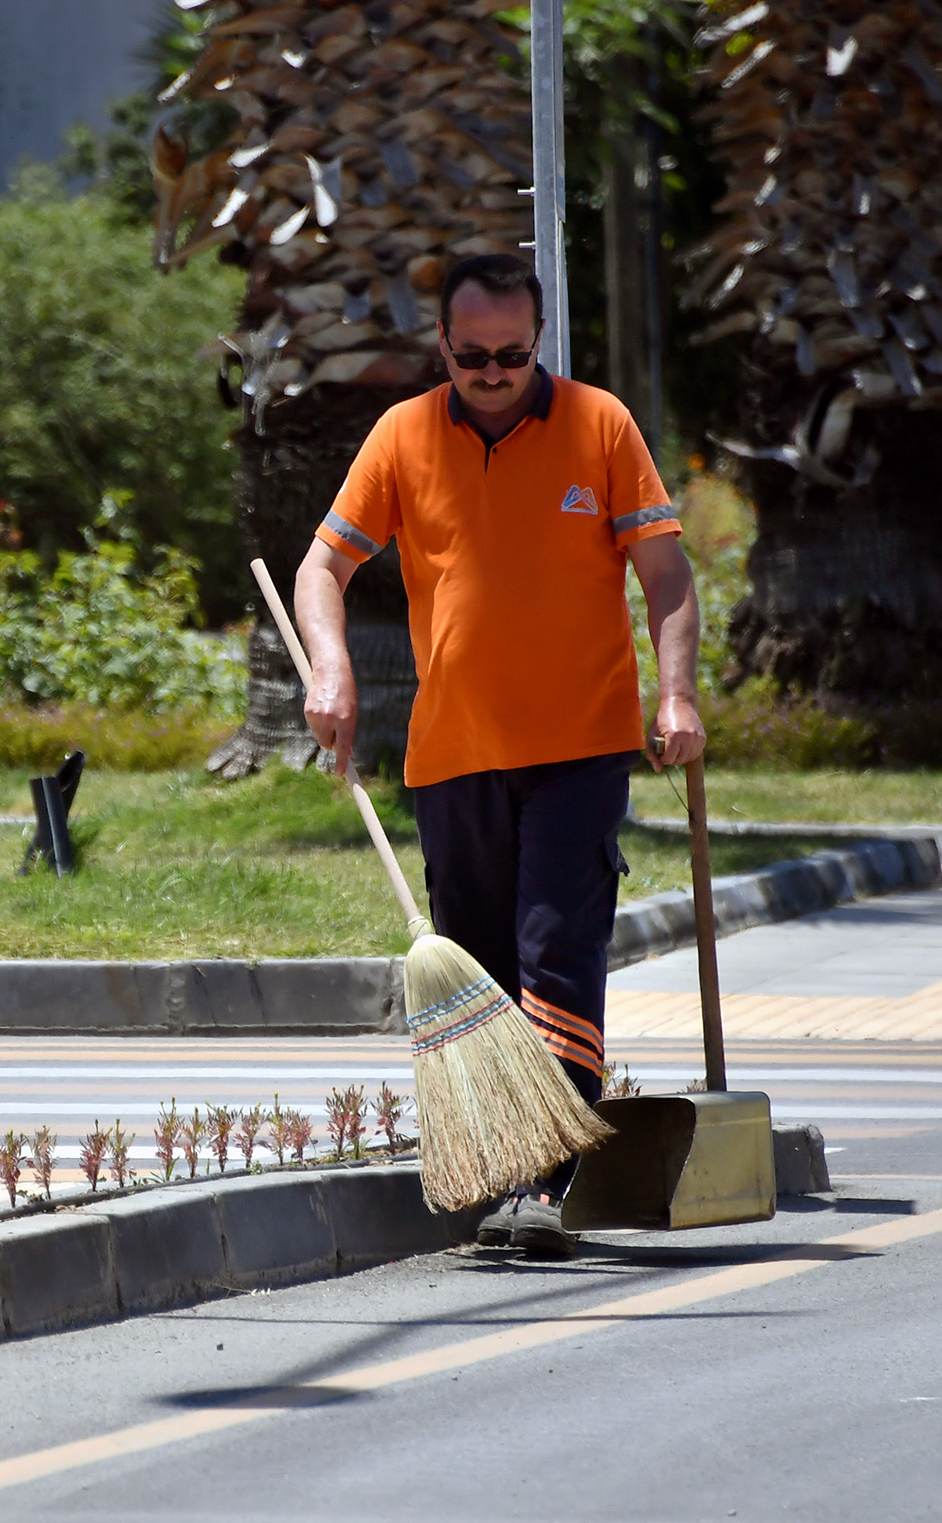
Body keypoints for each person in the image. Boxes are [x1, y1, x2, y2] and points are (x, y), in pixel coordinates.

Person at [293, 253, 704, 1259]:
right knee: (473, 964)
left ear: (538, 342)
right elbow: (322, 564)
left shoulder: (598, 425)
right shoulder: (403, 434)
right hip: (453, 754)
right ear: (442, 345)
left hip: (579, 746)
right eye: (470, 355)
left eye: (511, 355)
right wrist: (330, 673)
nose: (490, 371)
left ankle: (546, 1180)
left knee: (554, 950)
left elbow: (664, 570)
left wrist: (678, 694)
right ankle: (495, 1159)